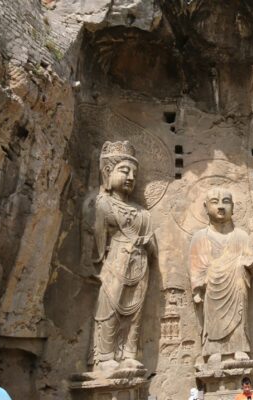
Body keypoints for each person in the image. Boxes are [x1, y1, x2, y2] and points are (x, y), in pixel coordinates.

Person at [91, 141, 157, 373]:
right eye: (124, 170)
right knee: (109, 308)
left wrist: (147, 243)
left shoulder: (143, 213)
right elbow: (94, 241)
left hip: (139, 265)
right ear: (108, 173)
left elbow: (154, 248)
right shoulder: (101, 204)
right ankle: (104, 355)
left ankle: (129, 353)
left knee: (135, 312)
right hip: (114, 262)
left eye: (134, 173)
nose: (130, 177)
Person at [189, 187, 253, 364]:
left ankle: (239, 347)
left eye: (226, 202)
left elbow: (250, 260)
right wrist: (197, 289)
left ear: (233, 207)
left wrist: (243, 263)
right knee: (212, 318)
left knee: (239, 313)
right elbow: (196, 266)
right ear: (205, 207)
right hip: (212, 289)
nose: (220, 207)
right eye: (214, 202)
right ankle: (213, 349)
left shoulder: (241, 236)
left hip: (235, 286)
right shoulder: (200, 237)